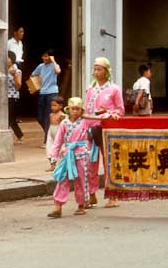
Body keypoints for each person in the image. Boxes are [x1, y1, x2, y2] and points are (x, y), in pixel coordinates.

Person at [82, 57, 124, 208]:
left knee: (109, 163)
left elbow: (120, 110)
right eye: (95, 69)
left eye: (99, 69)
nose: (96, 72)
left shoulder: (114, 89)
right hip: (92, 130)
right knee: (90, 163)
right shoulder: (90, 90)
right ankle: (91, 194)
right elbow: (87, 110)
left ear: (106, 71)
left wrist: (107, 112)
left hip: (107, 131)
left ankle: (112, 195)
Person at [48, 97, 90, 218]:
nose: (75, 111)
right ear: (68, 109)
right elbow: (57, 141)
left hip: (81, 154)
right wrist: (53, 156)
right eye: (73, 109)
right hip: (68, 155)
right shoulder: (64, 123)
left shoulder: (85, 122)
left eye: (78, 109)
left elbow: (99, 121)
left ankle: (81, 204)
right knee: (62, 179)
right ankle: (58, 206)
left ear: (81, 110)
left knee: (81, 180)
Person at [31, 49, 61, 147]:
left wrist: (54, 61)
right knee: (40, 117)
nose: (45, 58)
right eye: (43, 56)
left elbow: (58, 71)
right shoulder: (40, 66)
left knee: (48, 116)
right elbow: (32, 75)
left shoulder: (54, 66)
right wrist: (36, 84)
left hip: (52, 93)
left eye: (47, 56)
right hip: (42, 92)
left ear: (51, 57)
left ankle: (46, 141)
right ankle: (51, 134)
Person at [6, 51, 24, 144]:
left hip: (12, 96)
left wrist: (14, 76)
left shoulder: (17, 71)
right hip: (4, 97)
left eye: (7, 58)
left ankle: (19, 135)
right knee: (7, 118)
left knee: (10, 118)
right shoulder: (3, 70)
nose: (5, 60)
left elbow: (18, 86)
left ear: (12, 59)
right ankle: (16, 135)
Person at [45, 97, 66, 171]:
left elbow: (64, 126)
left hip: (59, 132)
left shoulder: (62, 115)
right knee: (49, 148)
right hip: (51, 131)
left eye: (54, 105)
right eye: (51, 105)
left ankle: (64, 165)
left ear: (60, 106)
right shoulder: (51, 115)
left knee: (62, 148)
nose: (52, 107)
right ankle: (52, 165)